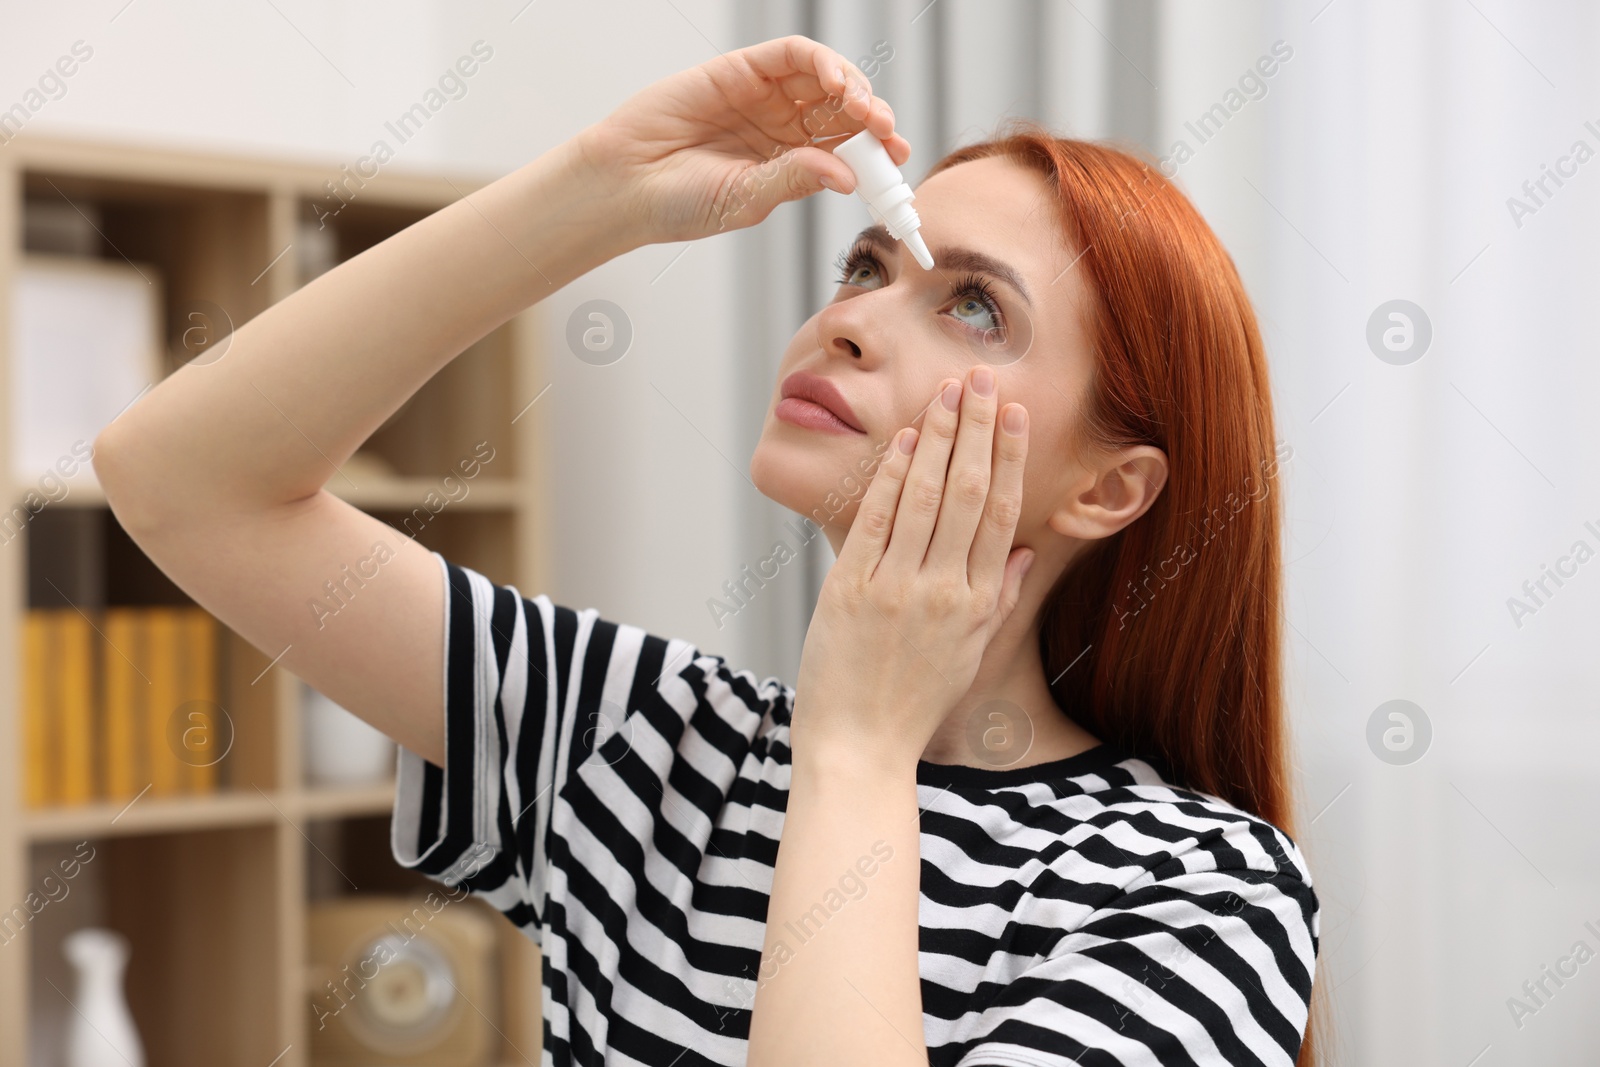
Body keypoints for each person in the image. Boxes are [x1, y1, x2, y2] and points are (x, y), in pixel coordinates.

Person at [93, 34, 1319, 1067]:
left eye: (973, 305)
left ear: (1110, 487)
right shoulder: (651, 742)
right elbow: (185, 481)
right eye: (867, 265)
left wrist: (857, 748)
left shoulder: (1202, 894)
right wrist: (595, 189)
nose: (848, 321)